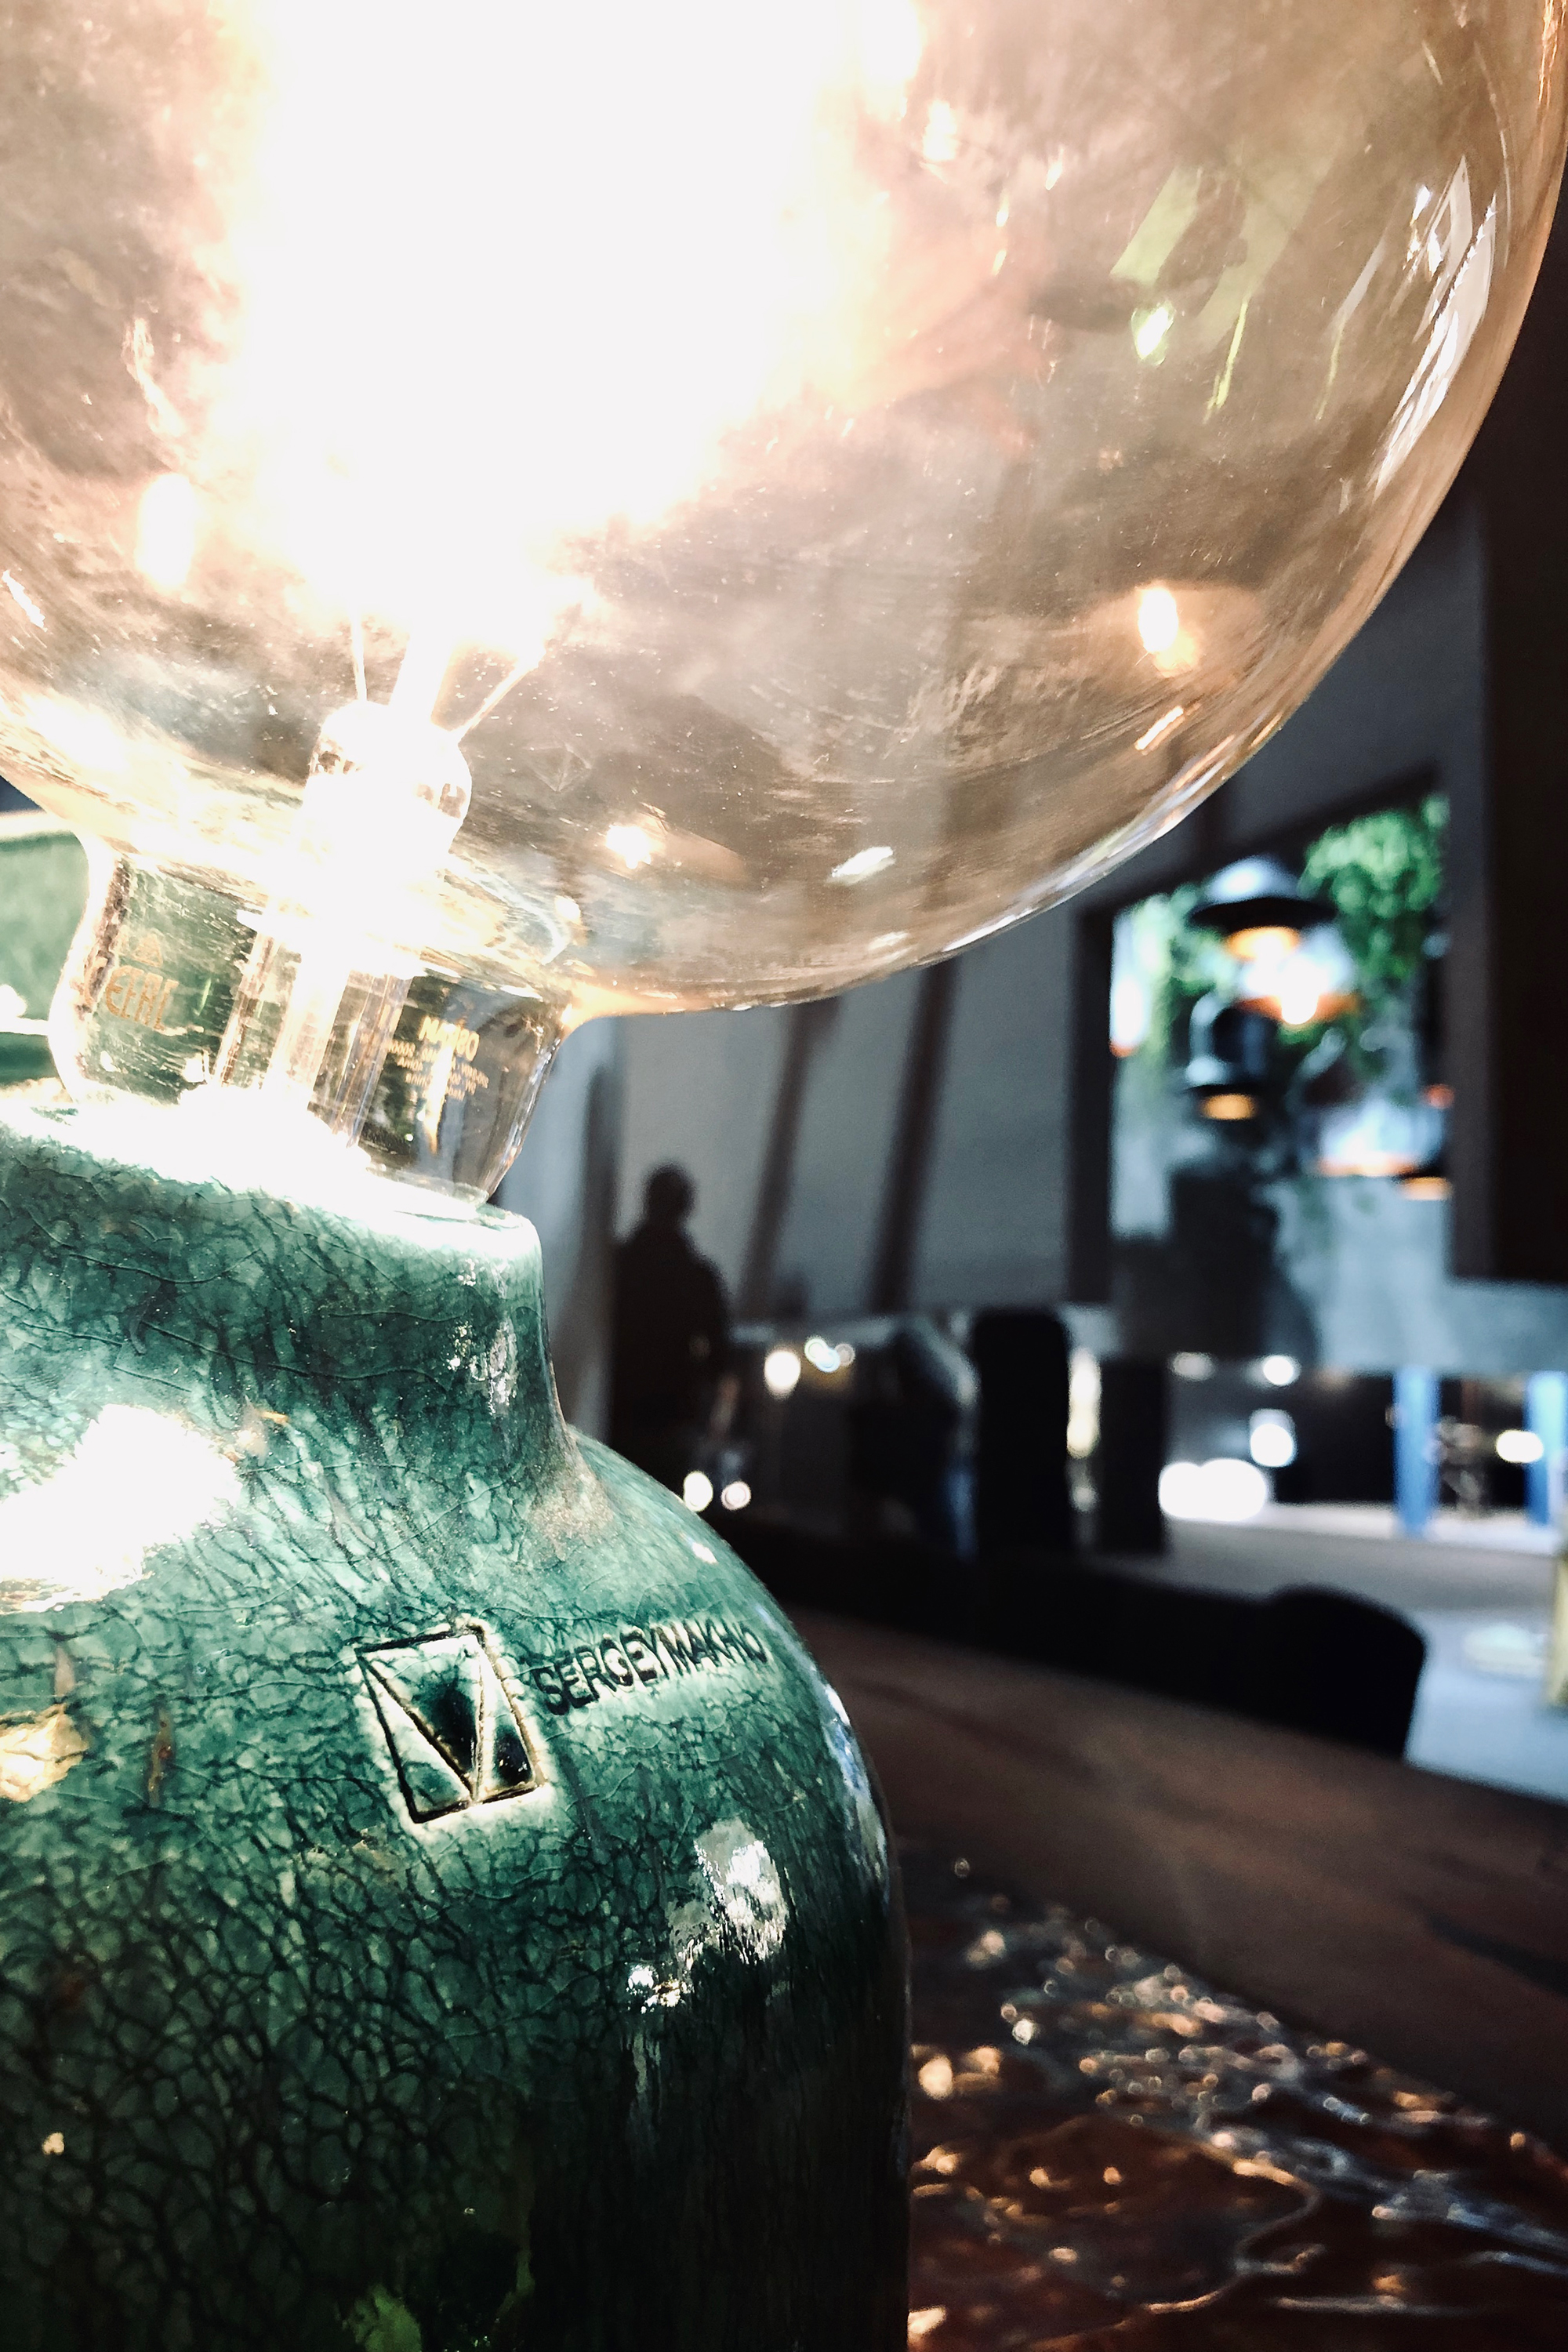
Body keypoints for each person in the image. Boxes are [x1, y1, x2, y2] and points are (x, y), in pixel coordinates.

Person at [610, 1165, 732, 1490]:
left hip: (621, 1407)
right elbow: (719, 1356)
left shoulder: (618, 1265)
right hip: (670, 1415)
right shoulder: (698, 1276)